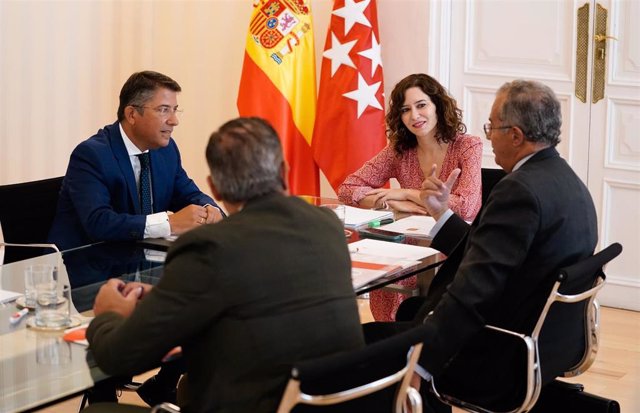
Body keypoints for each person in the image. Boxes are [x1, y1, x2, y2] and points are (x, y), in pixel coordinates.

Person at [85, 117, 365, 413]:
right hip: (330, 400)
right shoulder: (326, 225)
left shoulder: (209, 248)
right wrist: (167, 295)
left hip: (258, 403)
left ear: (215, 188)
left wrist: (108, 315)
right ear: (284, 171)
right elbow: (258, 292)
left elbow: (120, 358)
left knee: (100, 412)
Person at [365, 80, 599, 412]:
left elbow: (473, 292)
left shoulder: (518, 192)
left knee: (358, 344)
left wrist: (422, 363)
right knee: (406, 314)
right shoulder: (568, 181)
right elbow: (490, 250)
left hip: (494, 350)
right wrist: (440, 212)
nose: (489, 136)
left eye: (493, 127)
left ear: (516, 136)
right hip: (547, 342)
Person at [338, 73, 482, 321]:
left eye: (421, 105)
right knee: (381, 265)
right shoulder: (399, 149)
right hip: (409, 242)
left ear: (438, 105)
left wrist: (406, 193)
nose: (414, 116)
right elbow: (348, 189)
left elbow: (466, 207)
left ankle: (419, 337)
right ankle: (391, 335)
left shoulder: (468, 146)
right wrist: (388, 201)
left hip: (456, 245)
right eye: (405, 110)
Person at [48, 70, 223, 252]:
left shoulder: (166, 150)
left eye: (175, 110)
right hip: (83, 266)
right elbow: (99, 222)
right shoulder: (92, 155)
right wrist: (168, 223)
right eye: (163, 110)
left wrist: (209, 210)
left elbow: (188, 194)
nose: (174, 120)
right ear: (132, 114)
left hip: (137, 262)